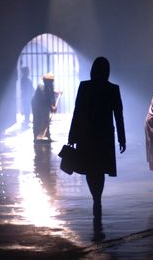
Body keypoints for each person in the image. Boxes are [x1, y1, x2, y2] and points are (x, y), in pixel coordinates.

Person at [68, 57, 126, 225]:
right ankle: (98, 198)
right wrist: (122, 138)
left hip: (86, 134)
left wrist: (72, 136)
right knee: (100, 169)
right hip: (105, 135)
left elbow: (77, 112)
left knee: (90, 168)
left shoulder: (85, 87)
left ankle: (95, 197)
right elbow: (118, 116)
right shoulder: (113, 89)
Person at [31, 72, 57, 143]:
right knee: (38, 119)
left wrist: (56, 92)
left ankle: (47, 136)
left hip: (44, 105)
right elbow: (44, 97)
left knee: (46, 119)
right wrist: (51, 107)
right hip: (37, 105)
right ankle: (36, 137)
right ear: (46, 80)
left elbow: (50, 92)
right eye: (51, 81)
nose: (52, 82)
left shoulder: (49, 85)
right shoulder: (42, 86)